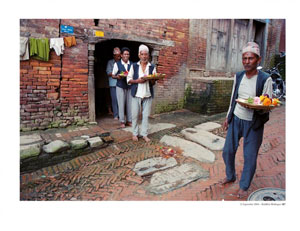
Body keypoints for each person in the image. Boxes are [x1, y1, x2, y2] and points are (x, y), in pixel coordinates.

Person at [221, 42, 273, 198]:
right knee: (227, 151)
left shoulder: (265, 79)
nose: (247, 62)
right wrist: (228, 116)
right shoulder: (239, 76)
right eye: (244, 58)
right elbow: (233, 97)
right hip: (236, 118)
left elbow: (267, 103)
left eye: (250, 58)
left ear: (258, 60)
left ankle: (244, 185)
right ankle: (230, 176)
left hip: (253, 122)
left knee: (250, 156)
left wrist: (257, 107)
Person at [127, 44, 157, 142]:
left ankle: (144, 134)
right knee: (135, 115)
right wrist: (137, 81)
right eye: (142, 54)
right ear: (139, 55)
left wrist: (152, 79)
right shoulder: (134, 66)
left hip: (147, 94)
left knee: (145, 115)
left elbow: (153, 83)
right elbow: (129, 79)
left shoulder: (152, 67)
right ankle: (135, 133)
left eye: (146, 54)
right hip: (136, 94)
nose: (144, 56)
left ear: (148, 56)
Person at [112, 47, 132, 128]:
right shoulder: (117, 64)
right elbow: (113, 75)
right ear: (121, 55)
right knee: (121, 104)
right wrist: (118, 77)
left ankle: (129, 120)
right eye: (124, 54)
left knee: (130, 104)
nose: (126, 56)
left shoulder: (132, 64)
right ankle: (122, 121)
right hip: (120, 86)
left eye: (127, 54)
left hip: (130, 86)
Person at [106, 47, 121, 120]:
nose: (118, 57)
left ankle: (120, 114)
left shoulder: (121, 62)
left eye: (119, 55)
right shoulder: (110, 62)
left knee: (120, 100)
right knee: (114, 100)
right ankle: (115, 115)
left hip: (121, 83)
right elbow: (108, 72)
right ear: (114, 55)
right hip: (113, 84)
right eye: (117, 56)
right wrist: (115, 73)